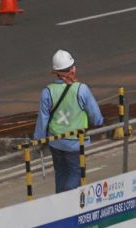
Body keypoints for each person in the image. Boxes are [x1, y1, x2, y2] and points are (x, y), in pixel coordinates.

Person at [34, 50, 104, 193]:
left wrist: (39, 140)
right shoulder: (81, 89)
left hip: (55, 142)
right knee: (75, 174)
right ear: (71, 69)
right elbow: (96, 117)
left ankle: (60, 203)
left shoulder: (47, 92)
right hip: (75, 143)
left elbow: (42, 119)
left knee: (60, 174)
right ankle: (69, 202)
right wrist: (99, 123)